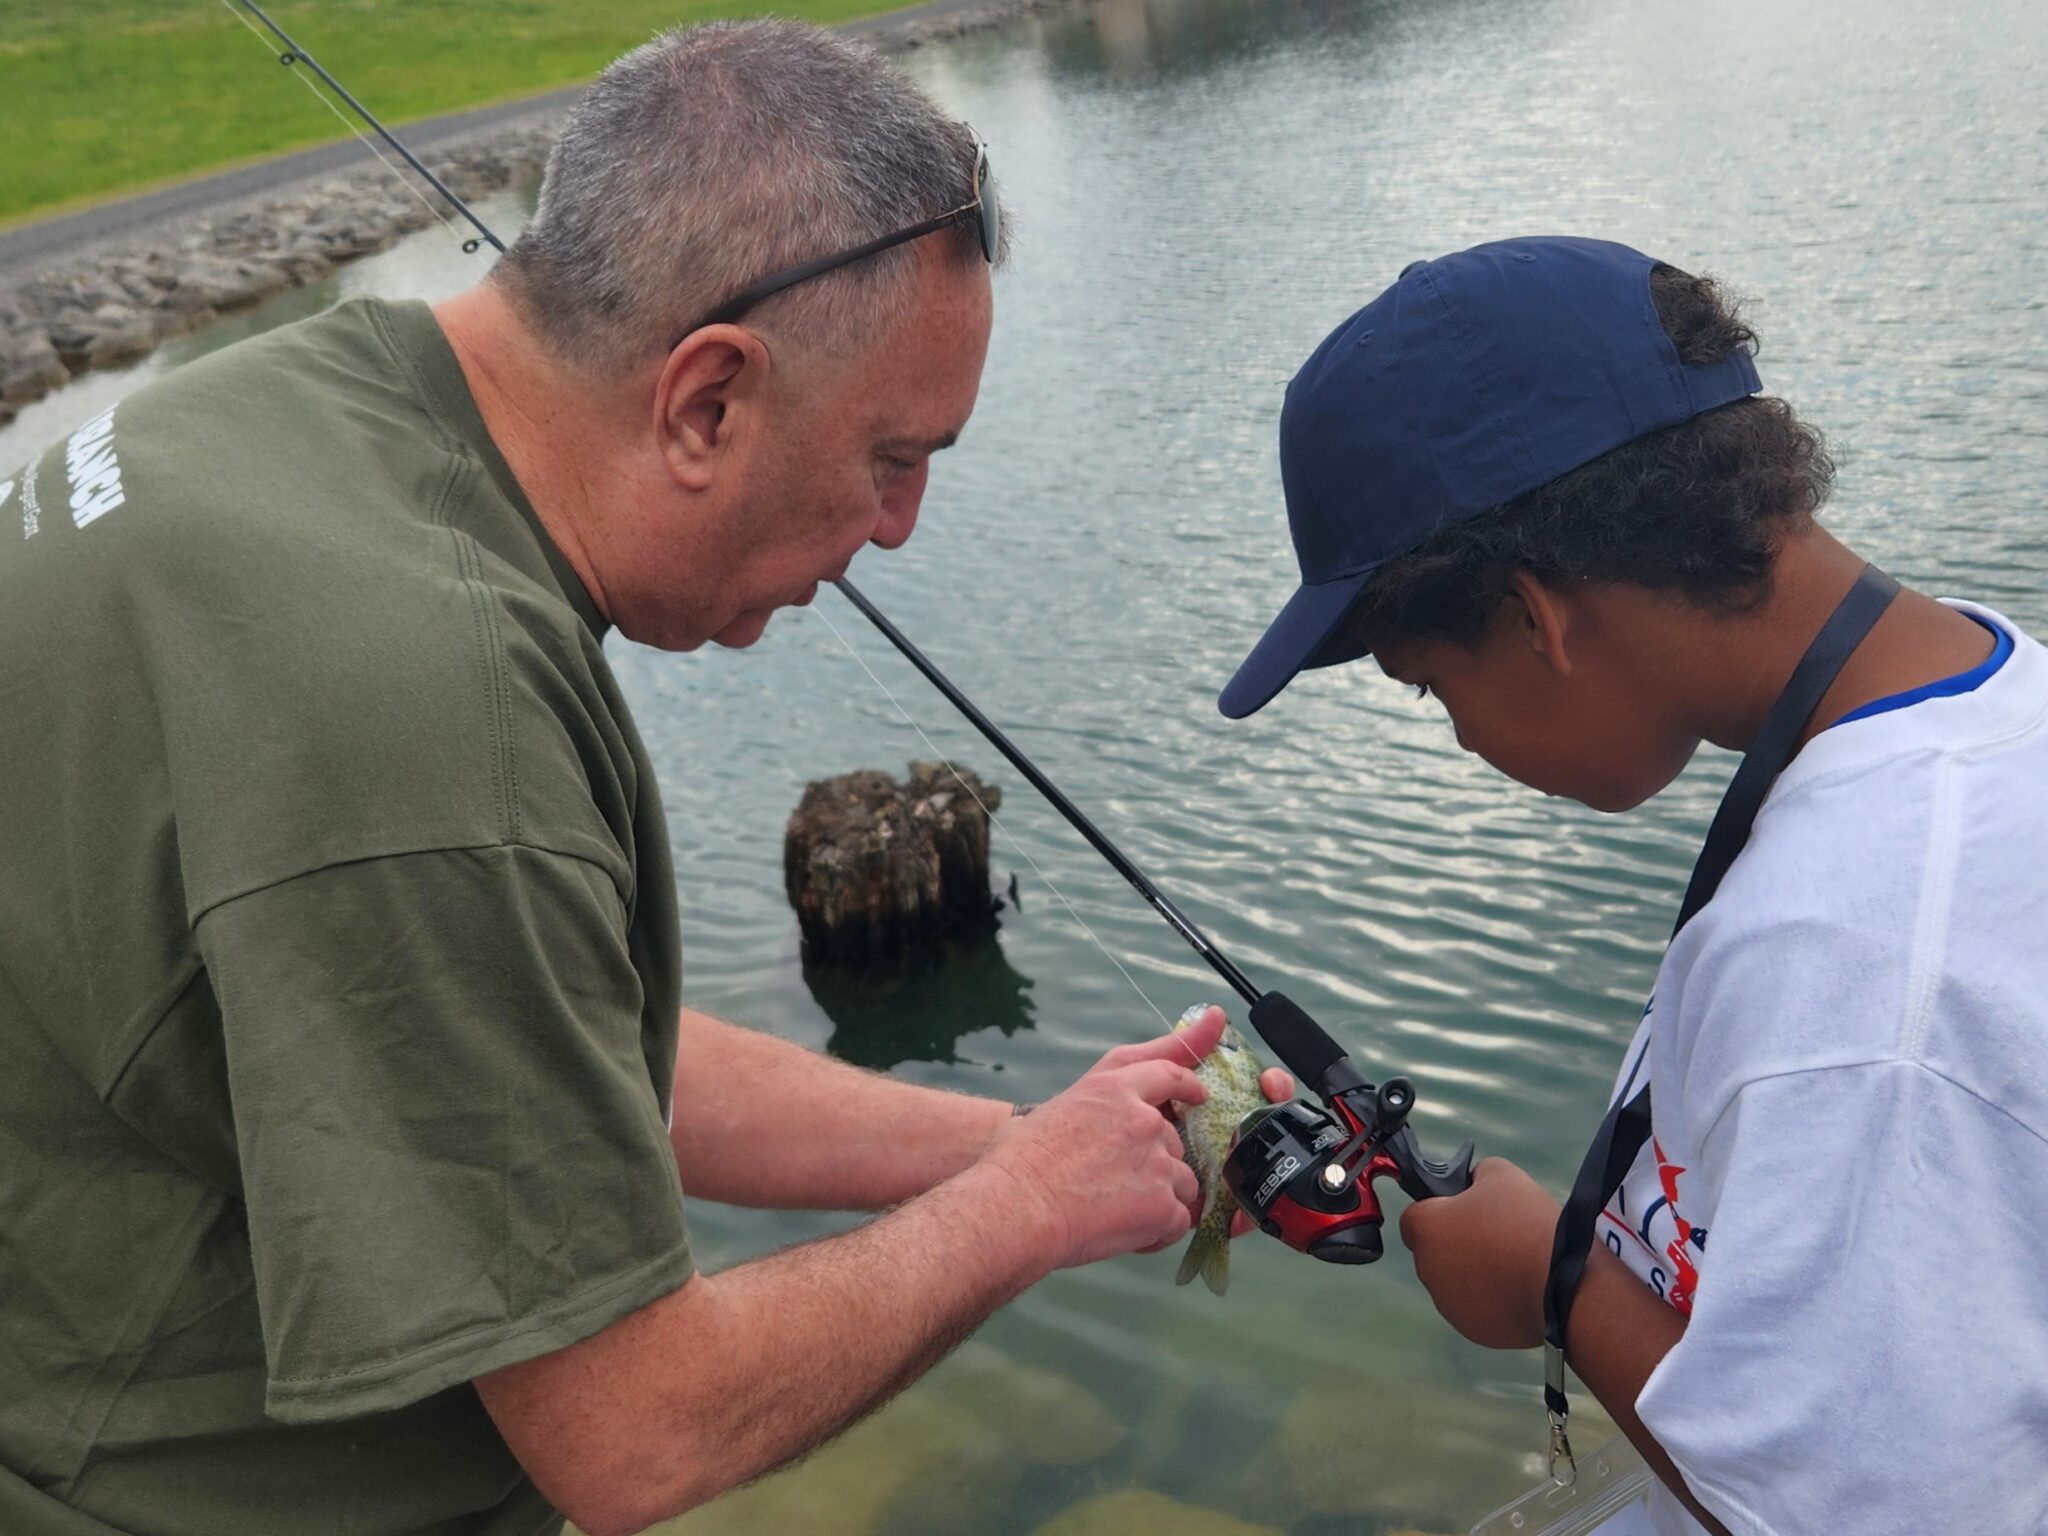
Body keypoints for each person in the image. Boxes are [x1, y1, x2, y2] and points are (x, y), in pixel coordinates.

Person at [0, 22, 1286, 1536]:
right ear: (706, 402)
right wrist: (1021, 1218)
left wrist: (1038, 1143)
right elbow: (634, 1433)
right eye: (892, 457)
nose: (901, 530)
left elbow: (527, 1049)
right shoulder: (425, 710)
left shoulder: (282, 410)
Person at [1216, 236, 2048, 1535]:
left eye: (1432, 689)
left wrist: (1552, 1284)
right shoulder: (1977, 696)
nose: (1463, 740)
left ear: (1535, 614)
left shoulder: (1860, 971)